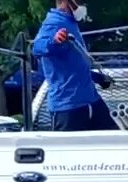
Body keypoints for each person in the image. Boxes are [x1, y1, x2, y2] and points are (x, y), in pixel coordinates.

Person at [31, 0, 116, 131]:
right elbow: (37, 47)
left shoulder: (71, 23)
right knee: (68, 150)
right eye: (81, 1)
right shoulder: (54, 22)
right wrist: (54, 41)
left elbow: (75, 67)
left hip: (91, 101)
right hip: (68, 107)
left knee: (115, 142)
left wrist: (99, 78)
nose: (83, 6)